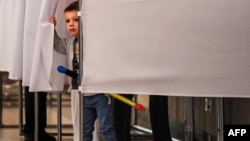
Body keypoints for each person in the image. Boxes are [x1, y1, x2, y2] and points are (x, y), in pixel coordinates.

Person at [49, 1, 116, 141]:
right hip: (81, 94)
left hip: (100, 93)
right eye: (67, 21)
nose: (71, 24)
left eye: (75, 20)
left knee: (106, 128)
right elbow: (58, 45)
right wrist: (51, 29)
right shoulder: (69, 42)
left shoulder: (95, 41)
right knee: (84, 130)